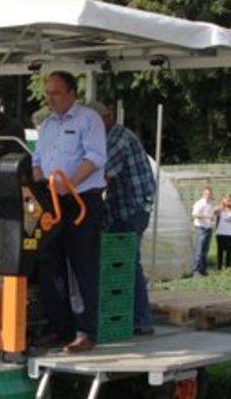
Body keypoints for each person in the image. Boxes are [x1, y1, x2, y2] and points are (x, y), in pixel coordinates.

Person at [32, 70, 107, 353]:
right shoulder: (47, 124)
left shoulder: (89, 120)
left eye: (56, 93)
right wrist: (40, 186)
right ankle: (58, 328)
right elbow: (37, 158)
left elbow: (95, 157)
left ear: (72, 94)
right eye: (48, 93)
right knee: (50, 263)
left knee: (81, 266)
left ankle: (84, 331)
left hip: (81, 200)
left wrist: (70, 184)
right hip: (52, 201)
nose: (50, 99)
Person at [89, 102, 155, 336]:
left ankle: (141, 320)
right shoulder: (107, 138)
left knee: (126, 262)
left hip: (132, 210)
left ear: (107, 118)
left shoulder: (117, 139)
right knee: (119, 262)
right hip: (120, 209)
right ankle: (123, 316)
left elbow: (100, 177)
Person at [190, 186, 215, 276]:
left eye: (210, 194)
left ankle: (203, 269)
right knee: (199, 250)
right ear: (203, 194)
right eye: (207, 194)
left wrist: (212, 218)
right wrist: (207, 216)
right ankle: (195, 270)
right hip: (201, 228)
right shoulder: (199, 203)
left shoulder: (209, 204)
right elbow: (194, 215)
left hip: (208, 227)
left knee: (205, 250)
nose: (209, 195)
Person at [214, 193, 231, 270]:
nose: (229, 202)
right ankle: (219, 268)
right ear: (223, 200)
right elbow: (214, 214)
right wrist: (220, 208)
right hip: (221, 233)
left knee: (229, 252)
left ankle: (228, 267)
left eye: (230, 200)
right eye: (228, 200)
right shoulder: (219, 209)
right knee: (220, 252)